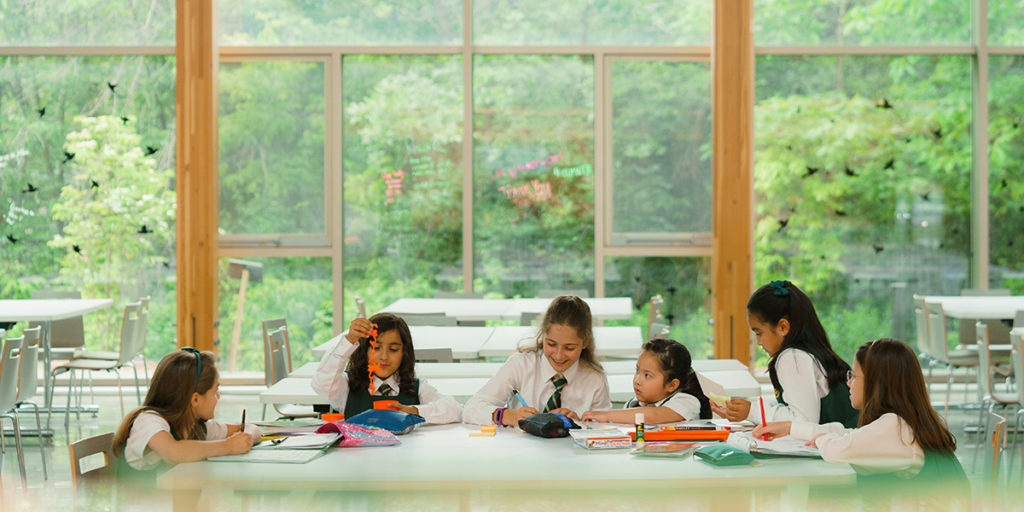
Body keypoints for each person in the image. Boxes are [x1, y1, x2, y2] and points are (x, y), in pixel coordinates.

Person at [753, 338, 967, 488]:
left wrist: (820, 440)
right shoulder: (903, 422)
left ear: (876, 385)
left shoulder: (894, 426)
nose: (848, 383)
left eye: (854, 376)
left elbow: (837, 449)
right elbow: (849, 435)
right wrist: (792, 428)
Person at [712, 280, 858, 427]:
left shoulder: (793, 357)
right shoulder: (807, 354)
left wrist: (752, 412)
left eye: (759, 333)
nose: (759, 342)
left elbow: (803, 421)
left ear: (783, 327)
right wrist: (746, 410)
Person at [463, 295, 611, 426]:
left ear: (585, 342)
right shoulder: (521, 365)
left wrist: (579, 423)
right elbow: (470, 409)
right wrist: (507, 416)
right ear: (542, 336)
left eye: (569, 348)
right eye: (551, 344)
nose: (559, 355)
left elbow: (605, 428)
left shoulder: (595, 379)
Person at [112, 348, 260, 471]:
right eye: (215, 391)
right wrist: (228, 446)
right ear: (195, 399)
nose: (218, 396)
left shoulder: (196, 426)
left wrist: (246, 439)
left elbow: (250, 428)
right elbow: (174, 452)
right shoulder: (148, 422)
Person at [311, 312, 462, 423]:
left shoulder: (416, 388)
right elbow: (322, 384)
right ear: (364, 351)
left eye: (394, 349)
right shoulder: (347, 387)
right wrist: (349, 340)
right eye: (376, 348)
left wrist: (415, 411)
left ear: (404, 353)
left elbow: (454, 409)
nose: (383, 356)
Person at [581, 338, 711, 423]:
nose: (637, 380)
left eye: (647, 375)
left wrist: (607, 415)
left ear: (672, 385)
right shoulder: (634, 404)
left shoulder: (687, 402)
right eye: (637, 370)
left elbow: (651, 416)